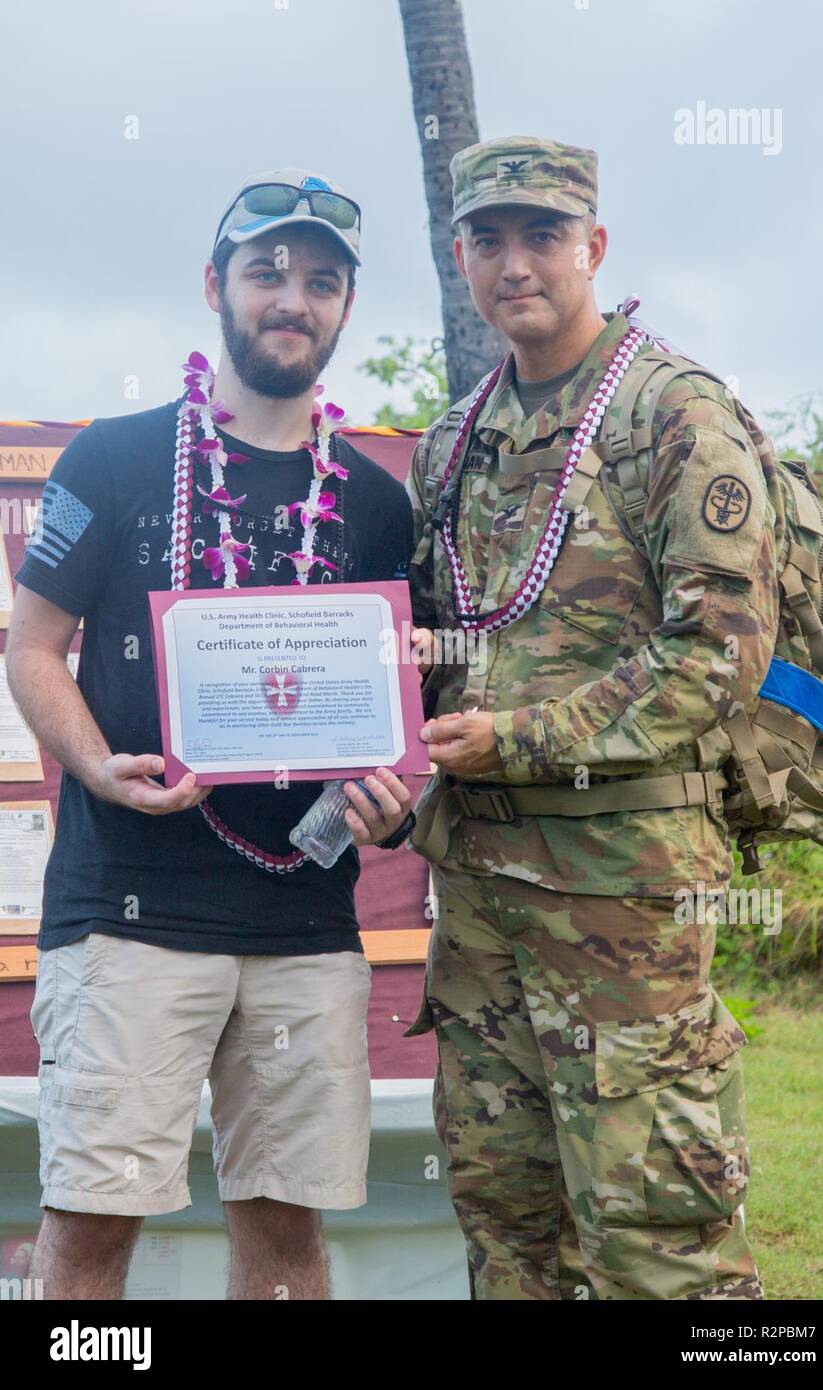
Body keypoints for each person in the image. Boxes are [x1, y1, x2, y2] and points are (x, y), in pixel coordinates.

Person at [6, 167, 416, 1300]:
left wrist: (392, 799)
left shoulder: (378, 505)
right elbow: (32, 645)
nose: (294, 297)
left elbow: (393, 710)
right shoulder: (114, 458)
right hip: (129, 911)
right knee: (89, 1235)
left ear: (343, 309)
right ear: (214, 286)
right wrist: (95, 762)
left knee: (286, 1244)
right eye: (268, 271)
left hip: (302, 921)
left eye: (322, 281)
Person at [404, 136, 776, 1300]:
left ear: (593, 247)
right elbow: (464, 637)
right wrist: (384, 728)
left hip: (622, 902)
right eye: (488, 239)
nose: (515, 263)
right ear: (460, 254)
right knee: (508, 1237)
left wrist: (521, 737)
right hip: (478, 908)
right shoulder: (451, 444)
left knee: (657, 1245)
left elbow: (719, 650)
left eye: (542, 235)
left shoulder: (675, 415)